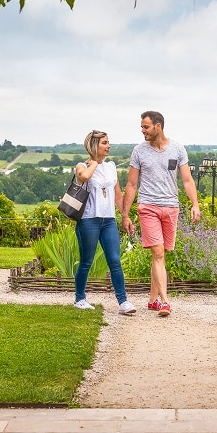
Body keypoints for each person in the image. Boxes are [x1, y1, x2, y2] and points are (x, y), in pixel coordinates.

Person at [122, 111, 201, 317]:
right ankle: (165, 302)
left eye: (146, 127)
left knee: (161, 254)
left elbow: (187, 180)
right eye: (142, 127)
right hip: (148, 206)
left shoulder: (177, 149)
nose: (143, 130)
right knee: (157, 252)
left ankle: (152, 300)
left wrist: (195, 204)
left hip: (171, 207)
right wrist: (125, 214)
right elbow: (131, 184)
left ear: (158, 126)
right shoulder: (139, 151)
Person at [73, 130, 137, 315]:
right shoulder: (82, 166)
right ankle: (80, 299)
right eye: (104, 143)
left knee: (115, 261)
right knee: (86, 261)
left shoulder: (111, 167)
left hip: (108, 220)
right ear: (94, 145)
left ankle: (123, 302)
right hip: (88, 220)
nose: (108, 146)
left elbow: (118, 196)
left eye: (108, 143)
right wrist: (94, 163)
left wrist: (125, 216)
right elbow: (84, 177)